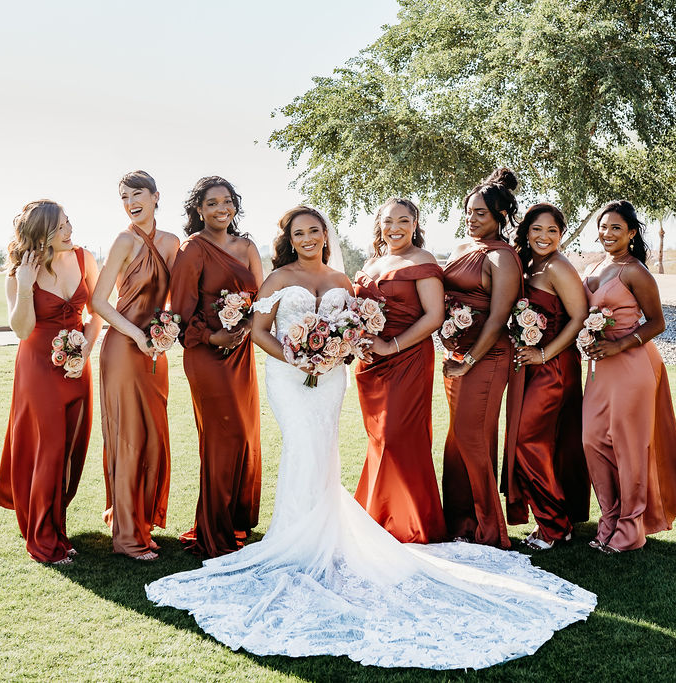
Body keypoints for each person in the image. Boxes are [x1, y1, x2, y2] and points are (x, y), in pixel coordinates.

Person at [144, 206, 596, 670]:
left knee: (325, 450)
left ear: (326, 235)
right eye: (299, 233)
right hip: (290, 376)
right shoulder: (279, 277)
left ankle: (334, 532)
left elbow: (361, 324)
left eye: (315, 230)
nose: (308, 238)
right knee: (302, 446)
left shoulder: (343, 280)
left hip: (335, 379)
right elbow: (260, 331)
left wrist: (336, 349)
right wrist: (297, 357)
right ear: (290, 239)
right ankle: (293, 538)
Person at [582, 200, 676, 553]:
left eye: (616, 228)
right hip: (598, 369)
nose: (608, 233)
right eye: (603, 226)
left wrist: (619, 346)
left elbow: (657, 322)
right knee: (592, 440)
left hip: (632, 366)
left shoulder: (634, 271)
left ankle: (630, 531)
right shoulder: (594, 265)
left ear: (631, 234)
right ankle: (610, 520)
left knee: (629, 448)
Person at [0, 200, 102, 565]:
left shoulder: (86, 259)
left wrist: (84, 352)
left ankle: (57, 527)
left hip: (76, 365)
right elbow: (22, 329)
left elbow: (96, 313)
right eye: (60, 228)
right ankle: (43, 540)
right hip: (37, 368)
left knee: (70, 450)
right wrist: (25, 287)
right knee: (48, 449)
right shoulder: (17, 273)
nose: (69, 231)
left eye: (69, 222)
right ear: (42, 235)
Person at [167, 176, 264, 558]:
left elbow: (262, 298)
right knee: (226, 438)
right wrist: (212, 337)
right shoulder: (193, 249)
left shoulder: (247, 246)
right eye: (212, 203)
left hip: (241, 352)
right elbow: (180, 311)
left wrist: (244, 328)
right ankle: (215, 528)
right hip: (206, 353)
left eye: (227, 202)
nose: (221, 209)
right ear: (199, 209)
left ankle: (236, 521)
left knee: (246, 437)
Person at [91, 171, 180, 561]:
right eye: (124, 197)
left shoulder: (173, 242)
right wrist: (137, 334)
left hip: (154, 353)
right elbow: (99, 301)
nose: (130, 202)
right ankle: (128, 537)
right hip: (123, 350)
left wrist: (165, 331)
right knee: (128, 438)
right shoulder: (124, 240)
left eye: (137, 194)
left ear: (156, 196)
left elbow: (176, 299)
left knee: (154, 437)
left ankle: (139, 522)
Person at [352, 198, 447, 544]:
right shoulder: (372, 262)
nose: (395, 228)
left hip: (406, 358)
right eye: (388, 221)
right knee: (379, 440)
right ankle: (379, 518)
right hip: (371, 366)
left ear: (415, 224)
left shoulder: (422, 261)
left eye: (403, 221)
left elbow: (434, 316)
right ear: (379, 224)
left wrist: (391, 346)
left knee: (398, 439)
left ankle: (413, 524)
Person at [439, 168, 523, 548]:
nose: (472, 219)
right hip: (458, 355)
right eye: (469, 212)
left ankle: (490, 530)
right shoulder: (461, 249)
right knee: (458, 439)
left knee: (472, 438)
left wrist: (469, 360)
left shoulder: (503, 258)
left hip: (485, 359)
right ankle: (460, 522)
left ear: (501, 217)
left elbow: (498, 318)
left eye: (481, 214)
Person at [507, 203, 591, 550]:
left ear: (561, 234)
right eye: (538, 229)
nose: (544, 237)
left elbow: (579, 317)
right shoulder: (527, 264)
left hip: (554, 366)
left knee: (529, 440)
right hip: (531, 367)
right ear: (527, 231)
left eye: (552, 231)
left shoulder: (558, 266)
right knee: (541, 443)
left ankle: (556, 527)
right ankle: (552, 519)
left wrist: (543, 353)